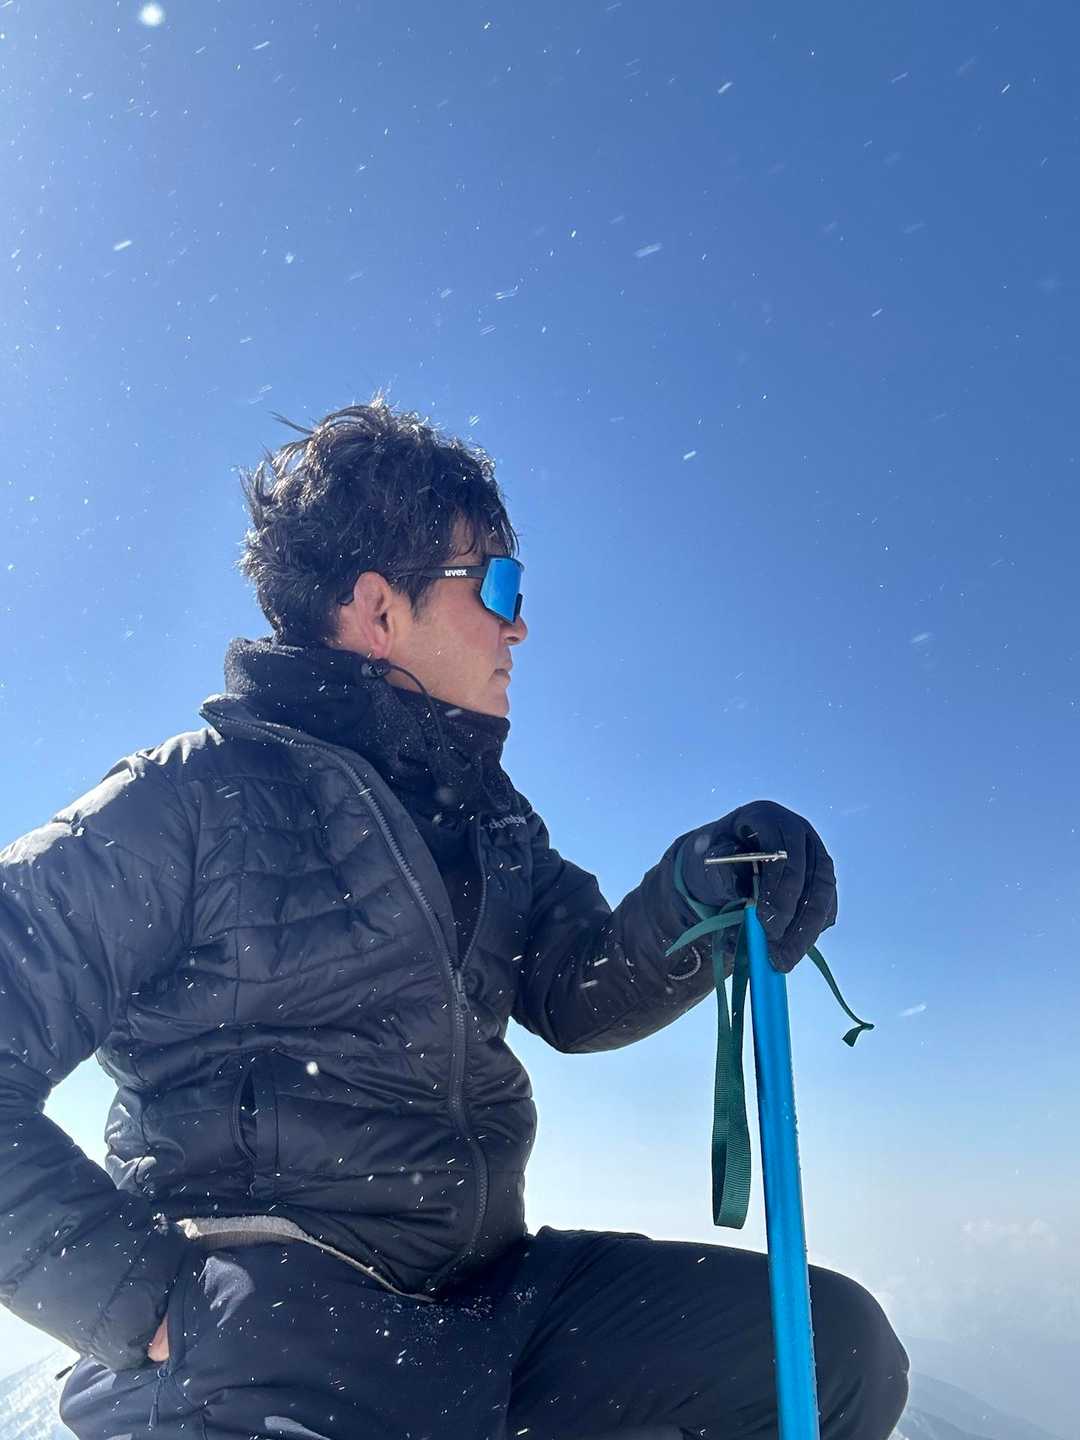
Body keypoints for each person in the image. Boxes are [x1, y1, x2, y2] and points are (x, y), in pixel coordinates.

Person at [0, 398, 908, 1440]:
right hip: (274, 1323)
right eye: (496, 584)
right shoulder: (194, 800)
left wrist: (699, 896)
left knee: (826, 1354)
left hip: (484, 1300)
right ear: (379, 610)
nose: (518, 624)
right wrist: (152, 1304)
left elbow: (577, 991)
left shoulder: (488, 821)